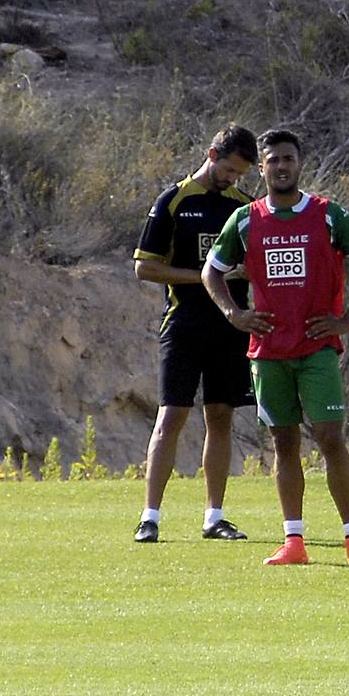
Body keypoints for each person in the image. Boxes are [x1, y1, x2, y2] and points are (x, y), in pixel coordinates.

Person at [202, 129, 349, 567]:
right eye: (273, 160)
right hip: (268, 352)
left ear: (299, 165)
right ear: (262, 168)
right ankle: (294, 541)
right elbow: (212, 272)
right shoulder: (246, 219)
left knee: (330, 438)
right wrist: (233, 314)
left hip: (317, 347)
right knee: (283, 443)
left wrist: (346, 321)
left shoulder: (327, 215)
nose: (281, 166)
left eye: (288, 159)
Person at [132, 124, 258, 543]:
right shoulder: (174, 200)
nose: (231, 179)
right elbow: (145, 267)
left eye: (239, 174)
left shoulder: (245, 207)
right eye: (227, 169)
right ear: (211, 154)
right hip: (184, 324)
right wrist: (205, 277)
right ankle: (150, 517)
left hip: (231, 326)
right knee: (171, 416)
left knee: (220, 417)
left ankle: (214, 516)